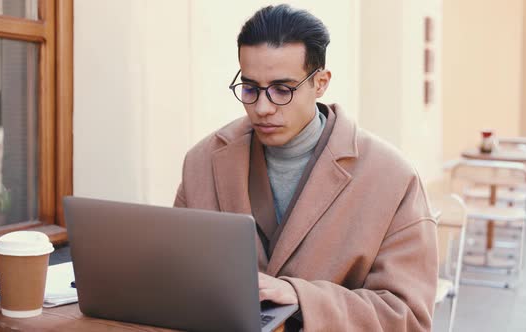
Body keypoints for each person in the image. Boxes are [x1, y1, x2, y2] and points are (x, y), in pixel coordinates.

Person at [174, 4, 438, 331]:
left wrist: (301, 299)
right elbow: (179, 274)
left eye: (282, 90)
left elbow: (408, 317)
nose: (263, 107)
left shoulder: (394, 178)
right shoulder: (201, 162)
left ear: (321, 82)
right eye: (250, 88)